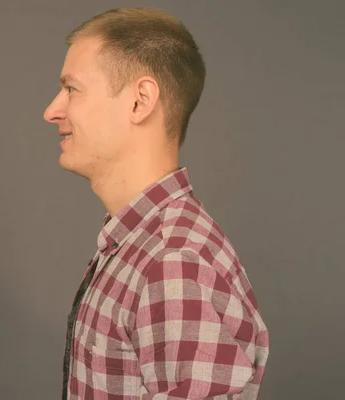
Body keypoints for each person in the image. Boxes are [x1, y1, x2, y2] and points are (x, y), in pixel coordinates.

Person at [43, 8, 269, 399]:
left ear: (140, 101)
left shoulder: (173, 259)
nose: (52, 111)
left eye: (72, 89)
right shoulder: (140, 245)